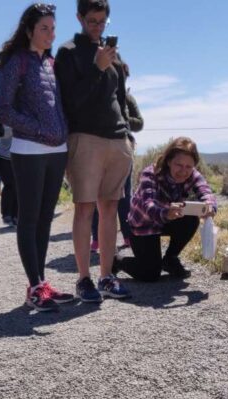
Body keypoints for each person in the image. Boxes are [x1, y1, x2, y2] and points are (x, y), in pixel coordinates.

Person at [0, 3, 74, 312]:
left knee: (44, 219)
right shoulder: (16, 62)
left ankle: (39, 284)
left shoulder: (51, 63)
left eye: (53, 28)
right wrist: (41, 130)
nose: (50, 34)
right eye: (44, 28)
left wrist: (62, 133)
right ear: (29, 30)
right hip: (28, 150)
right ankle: (35, 286)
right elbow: (3, 109)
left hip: (57, 151)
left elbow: (60, 106)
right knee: (28, 219)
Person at [55, 0, 132, 303]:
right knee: (85, 207)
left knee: (110, 207)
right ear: (79, 18)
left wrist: (126, 130)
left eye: (102, 22)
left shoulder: (113, 55)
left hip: (116, 138)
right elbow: (71, 100)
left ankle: (107, 277)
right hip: (85, 137)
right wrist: (96, 69)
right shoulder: (68, 52)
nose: (97, 27)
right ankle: (84, 279)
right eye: (91, 21)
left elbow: (120, 97)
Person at [113, 137, 217, 282]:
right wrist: (166, 212)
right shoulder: (150, 173)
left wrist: (210, 206)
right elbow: (148, 205)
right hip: (144, 224)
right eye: (178, 165)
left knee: (191, 219)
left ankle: (170, 259)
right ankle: (117, 260)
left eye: (189, 167)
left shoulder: (193, 174)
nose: (183, 171)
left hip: (167, 219)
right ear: (169, 162)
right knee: (149, 273)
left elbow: (205, 191)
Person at [91, 73, 143, 252]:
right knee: (96, 195)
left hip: (123, 147)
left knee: (124, 195)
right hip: (97, 148)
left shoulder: (128, 99)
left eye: (123, 76)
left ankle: (128, 236)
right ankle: (97, 238)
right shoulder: (95, 93)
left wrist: (122, 117)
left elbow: (140, 123)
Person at [0, 127, 17, 226]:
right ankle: (6, 215)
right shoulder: (6, 122)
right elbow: (4, 134)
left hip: (17, 159)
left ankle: (16, 215)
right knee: (10, 185)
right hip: (3, 158)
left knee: (18, 186)